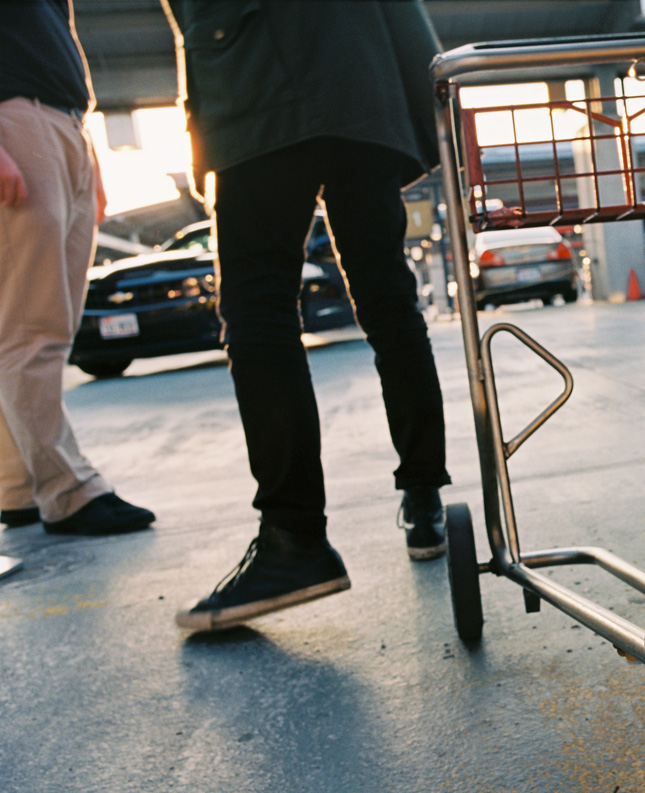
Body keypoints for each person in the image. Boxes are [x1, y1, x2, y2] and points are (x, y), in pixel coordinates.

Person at [164, 0, 451, 631]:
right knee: (388, 300)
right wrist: (423, 89)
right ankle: (425, 497)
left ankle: (294, 538)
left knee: (259, 307)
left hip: (258, 76)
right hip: (365, 88)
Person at [0, 1, 156, 537]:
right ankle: (69, 492)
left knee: (45, 325)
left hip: (64, 123)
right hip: (14, 117)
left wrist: (87, 153)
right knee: (30, 328)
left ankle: (17, 486)